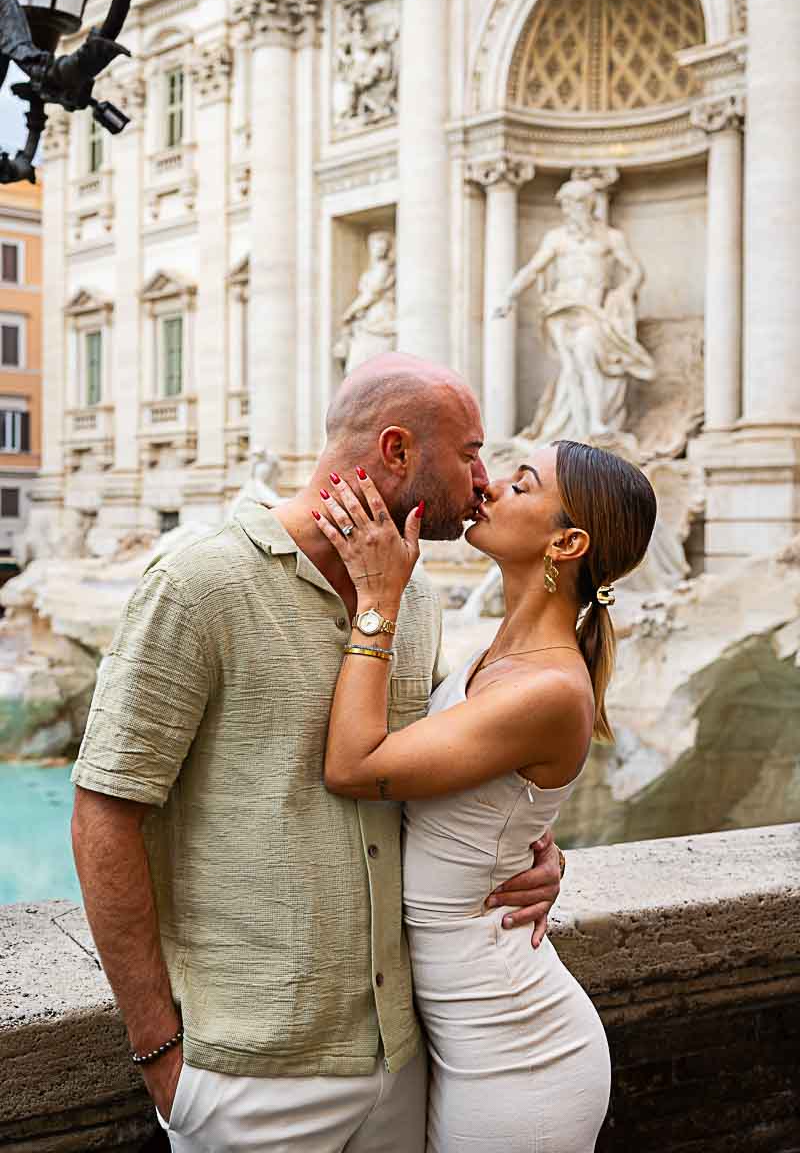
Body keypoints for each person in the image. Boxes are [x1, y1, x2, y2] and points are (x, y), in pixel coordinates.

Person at [70, 354, 565, 1152]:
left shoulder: (417, 598)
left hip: (403, 1057)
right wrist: (162, 1056)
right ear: (397, 452)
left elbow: (437, 776)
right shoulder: (200, 582)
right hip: (248, 1077)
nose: (482, 481)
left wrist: (534, 848)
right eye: (470, 453)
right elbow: (103, 816)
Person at [312, 439, 658, 1152]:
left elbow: (352, 764)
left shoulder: (548, 688)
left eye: (522, 485)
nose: (491, 488)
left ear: (566, 541)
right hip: (454, 1040)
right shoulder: (495, 651)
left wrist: (377, 602)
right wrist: (532, 848)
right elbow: (496, 806)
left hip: (520, 1059)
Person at [493, 177, 654, 441]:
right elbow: (533, 269)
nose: (567, 211)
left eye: (571, 205)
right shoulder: (556, 238)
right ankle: (581, 434)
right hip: (561, 309)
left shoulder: (610, 237)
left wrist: (624, 290)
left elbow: (636, 270)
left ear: (586, 204)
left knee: (586, 352)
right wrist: (508, 297)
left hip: (591, 310)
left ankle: (596, 422)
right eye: (565, 206)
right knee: (571, 368)